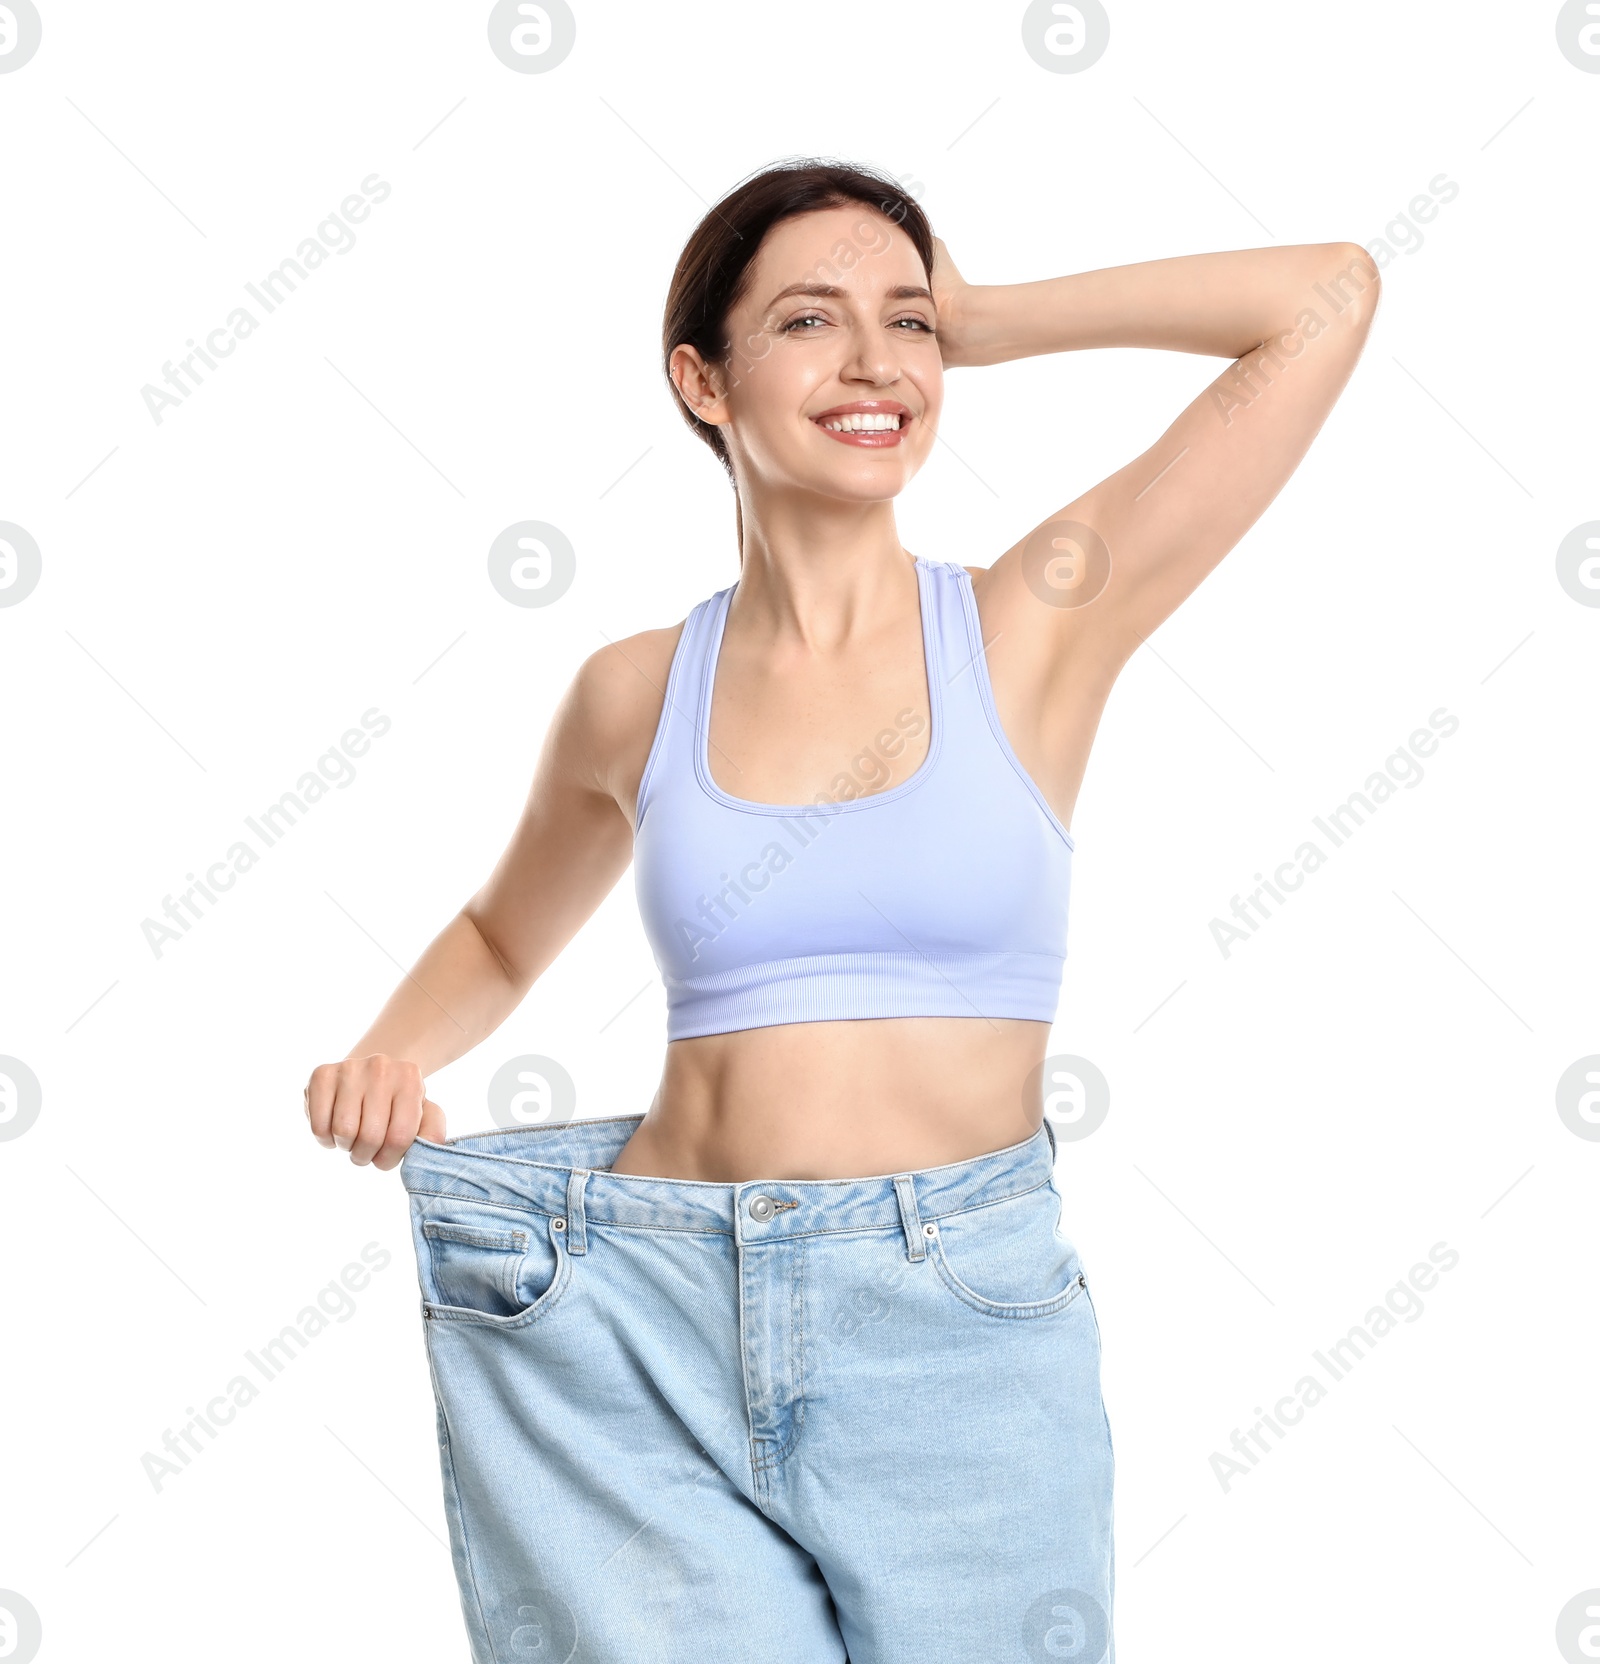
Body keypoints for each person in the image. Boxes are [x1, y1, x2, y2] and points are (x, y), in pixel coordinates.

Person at [303, 158, 1378, 1664]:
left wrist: (987, 313)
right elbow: (498, 936)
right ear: (704, 382)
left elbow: (1326, 299)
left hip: (951, 1323)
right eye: (811, 320)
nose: (877, 362)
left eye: (907, 324)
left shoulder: (1032, 625)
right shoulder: (633, 692)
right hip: (634, 1312)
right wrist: (389, 1053)